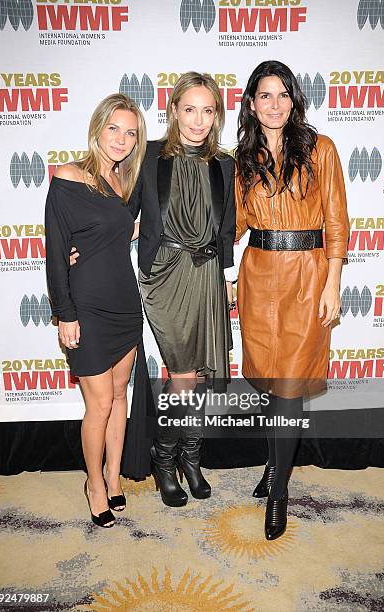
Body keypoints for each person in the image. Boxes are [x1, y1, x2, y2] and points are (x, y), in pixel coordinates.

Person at [71, 72, 236, 507]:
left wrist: (229, 278)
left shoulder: (224, 163)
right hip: (165, 275)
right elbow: (115, 211)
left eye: (207, 110)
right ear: (174, 111)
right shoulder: (152, 158)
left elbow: (228, 227)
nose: (198, 120)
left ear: (216, 114)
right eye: (189, 109)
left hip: (208, 275)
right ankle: (166, 462)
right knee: (183, 376)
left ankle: (191, 460)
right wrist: (78, 245)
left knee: (200, 378)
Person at [235, 61, 349, 540]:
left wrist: (333, 282)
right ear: (252, 103)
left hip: (308, 277)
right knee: (269, 385)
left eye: (283, 95)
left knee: (288, 389)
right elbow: (234, 223)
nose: (275, 104)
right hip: (259, 278)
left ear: (294, 100)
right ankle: (274, 467)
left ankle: (278, 493)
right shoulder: (243, 157)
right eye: (265, 95)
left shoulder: (320, 149)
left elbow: (337, 221)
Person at [45, 93, 151, 528]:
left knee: (120, 394)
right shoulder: (68, 177)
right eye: (114, 128)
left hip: (126, 304)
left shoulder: (123, 185)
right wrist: (64, 313)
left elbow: (119, 231)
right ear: (97, 128)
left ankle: (114, 474)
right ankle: (93, 483)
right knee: (101, 403)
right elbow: (55, 253)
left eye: (130, 133)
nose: (121, 139)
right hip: (85, 307)